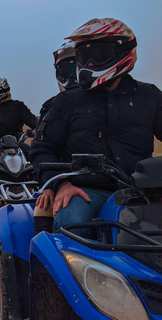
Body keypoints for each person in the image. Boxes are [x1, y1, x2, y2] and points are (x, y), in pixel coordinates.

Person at [29, 18, 162, 238]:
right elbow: (41, 149)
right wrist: (62, 184)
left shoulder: (150, 96)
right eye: (84, 56)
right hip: (85, 191)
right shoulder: (67, 102)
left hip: (142, 194)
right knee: (73, 224)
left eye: (98, 55)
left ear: (123, 51)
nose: (89, 64)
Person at [33, 41, 79, 228]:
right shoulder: (53, 105)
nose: (73, 77)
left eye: (77, 68)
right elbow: (43, 148)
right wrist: (54, 183)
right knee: (43, 206)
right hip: (63, 179)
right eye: (66, 71)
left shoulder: (113, 99)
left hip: (124, 183)